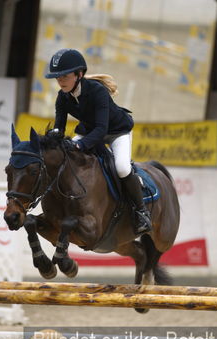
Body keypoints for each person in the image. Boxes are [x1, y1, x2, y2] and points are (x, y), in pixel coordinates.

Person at [45, 48, 151, 234]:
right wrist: (51, 138)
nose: (60, 81)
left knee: (122, 168)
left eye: (64, 76)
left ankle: (141, 212)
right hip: (89, 132)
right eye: (57, 77)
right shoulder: (62, 97)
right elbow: (59, 128)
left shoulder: (97, 91)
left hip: (117, 132)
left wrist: (79, 144)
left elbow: (102, 129)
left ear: (79, 74)